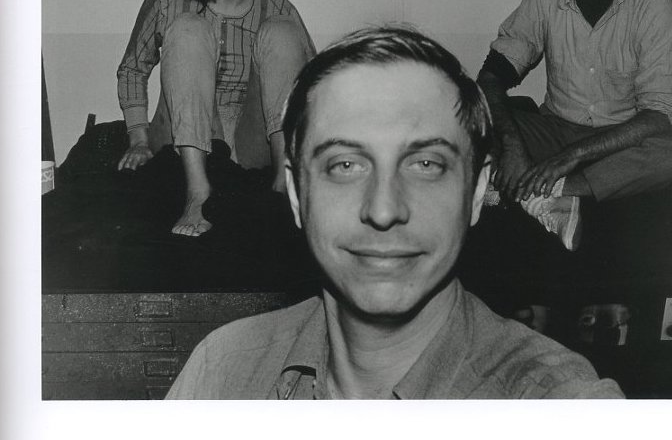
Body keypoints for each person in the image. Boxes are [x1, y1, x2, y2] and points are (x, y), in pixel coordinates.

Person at [167, 26, 623, 399]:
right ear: (297, 195)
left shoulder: (554, 397)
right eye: (345, 165)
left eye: (425, 165)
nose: (383, 210)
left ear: (477, 192)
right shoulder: (220, 372)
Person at [478, 0, 672, 250]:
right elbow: (490, 78)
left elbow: (662, 114)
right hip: (554, 130)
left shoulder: (652, 4)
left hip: (621, 141)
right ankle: (541, 191)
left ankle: (552, 191)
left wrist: (573, 157)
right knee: (465, 118)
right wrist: (513, 145)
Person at [116, 0, 316, 236]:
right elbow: (133, 68)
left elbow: (314, 83)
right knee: (189, 27)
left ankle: (282, 181)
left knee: (282, 31)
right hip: (180, 135)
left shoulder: (279, 8)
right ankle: (197, 194)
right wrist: (138, 140)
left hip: (253, 139)